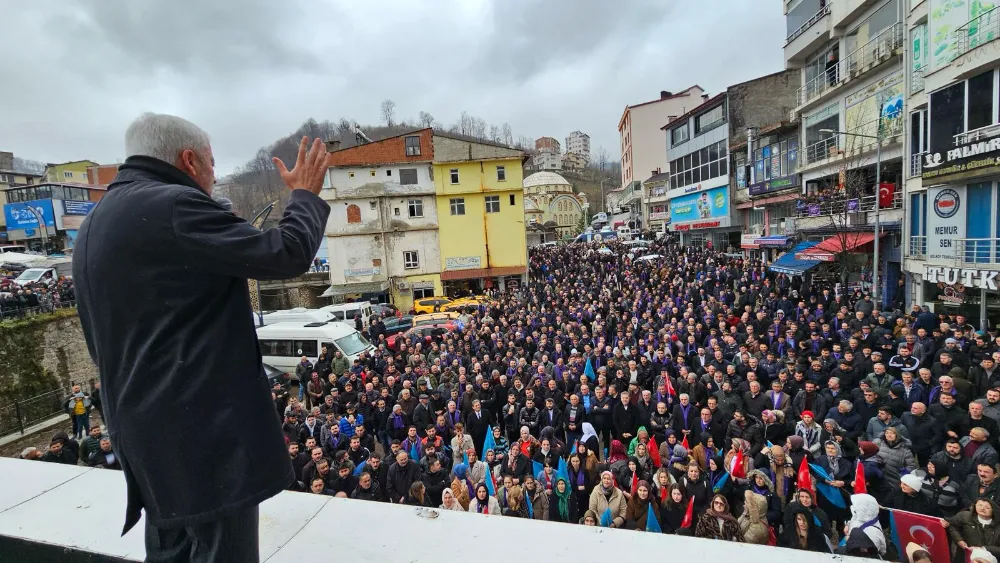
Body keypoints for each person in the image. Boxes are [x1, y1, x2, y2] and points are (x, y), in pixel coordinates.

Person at [73, 114, 330, 561]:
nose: (214, 175)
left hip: (149, 438)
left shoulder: (97, 222)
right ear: (188, 160)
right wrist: (304, 196)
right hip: (202, 442)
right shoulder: (173, 206)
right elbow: (287, 252)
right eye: (212, 163)